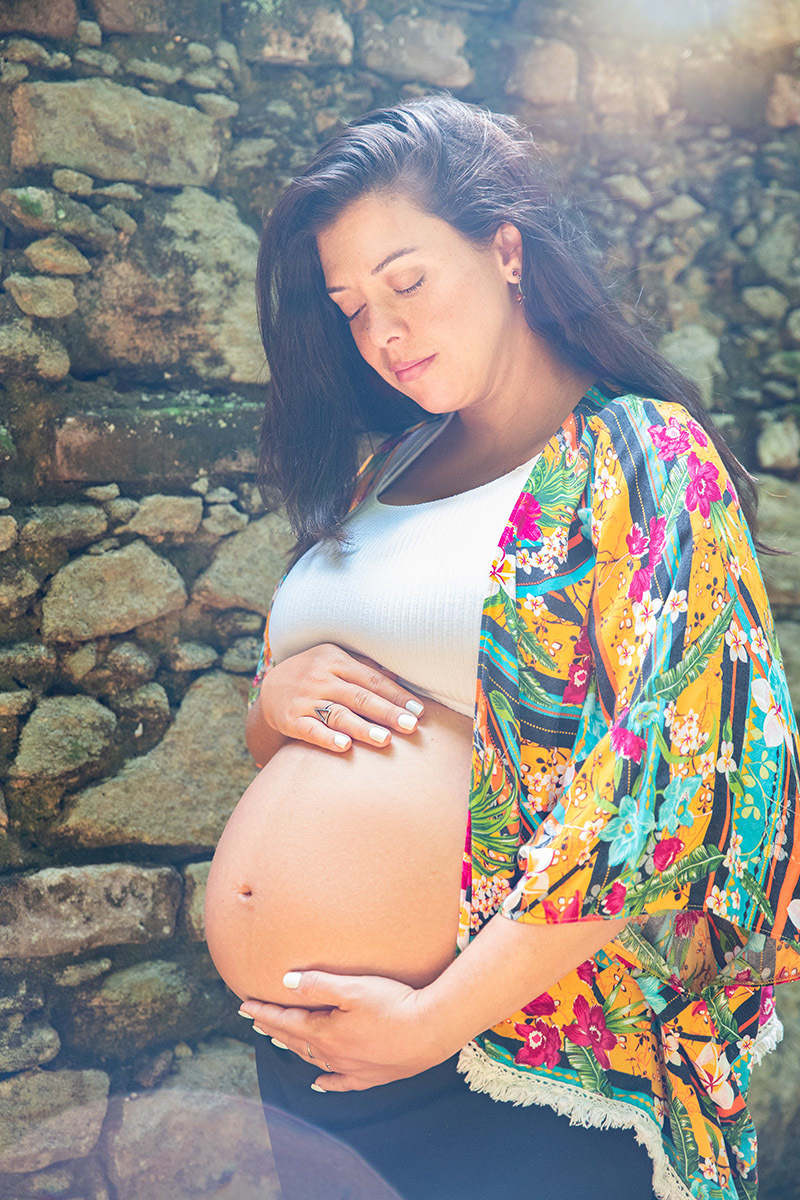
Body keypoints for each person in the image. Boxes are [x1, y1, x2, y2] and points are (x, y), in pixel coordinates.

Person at [204, 94, 800, 1200]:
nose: (379, 330)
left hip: (503, 1061)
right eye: (346, 308)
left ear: (506, 249)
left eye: (406, 281)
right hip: (319, 1058)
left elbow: (671, 781)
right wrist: (269, 703)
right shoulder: (377, 469)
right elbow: (328, 731)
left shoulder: (640, 455)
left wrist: (432, 1020)